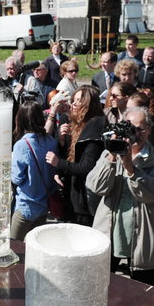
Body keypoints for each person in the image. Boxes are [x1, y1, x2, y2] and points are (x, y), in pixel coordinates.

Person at [88, 107, 154, 285]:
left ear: (149, 130)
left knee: (142, 292)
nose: (136, 133)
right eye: (131, 128)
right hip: (110, 231)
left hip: (144, 236)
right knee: (101, 287)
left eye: (141, 129)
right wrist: (111, 156)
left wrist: (131, 169)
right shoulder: (110, 154)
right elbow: (96, 186)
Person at [46, 86, 106, 226]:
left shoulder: (94, 130)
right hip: (72, 195)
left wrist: (58, 163)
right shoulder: (77, 124)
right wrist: (62, 141)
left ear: (88, 104)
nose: (73, 103)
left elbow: (86, 168)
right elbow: (70, 156)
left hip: (84, 202)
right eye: (74, 100)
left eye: (79, 101)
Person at [10, 101, 58, 240]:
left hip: (25, 207)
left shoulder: (22, 145)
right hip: (44, 207)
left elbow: (16, 178)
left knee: (14, 248)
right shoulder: (51, 142)